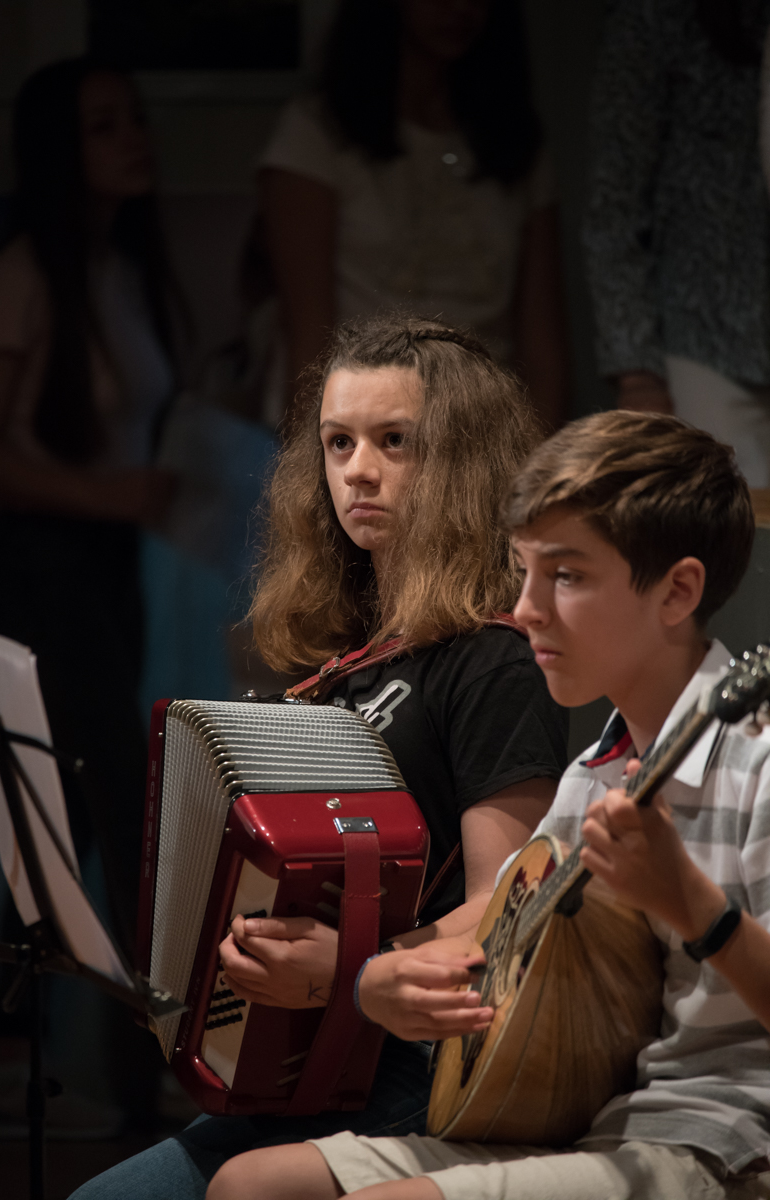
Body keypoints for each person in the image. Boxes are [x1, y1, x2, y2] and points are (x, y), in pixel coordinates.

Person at [209, 409, 770, 1200]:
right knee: (251, 1185)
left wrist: (691, 903)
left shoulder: (757, 764)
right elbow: (508, 943)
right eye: (522, 570)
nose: (528, 608)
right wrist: (366, 981)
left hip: (724, 1142)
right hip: (592, 1118)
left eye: (566, 576)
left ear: (677, 591)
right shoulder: (592, 775)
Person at [70, 316, 568, 1197]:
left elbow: (505, 909)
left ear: (464, 460)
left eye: (394, 441)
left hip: (416, 1070)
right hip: (316, 1061)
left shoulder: (494, 658)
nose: (357, 471)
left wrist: (345, 970)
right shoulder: (352, 661)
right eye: (338, 442)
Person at [0, 58, 178, 951]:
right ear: (60, 150)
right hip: (39, 562)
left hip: (110, 559)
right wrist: (105, 495)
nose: (133, 139)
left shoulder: (120, 270)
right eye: (103, 126)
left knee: (85, 811)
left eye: (134, 117)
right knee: (99, 797)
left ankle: (45, 1020)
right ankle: (149, 1014)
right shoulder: (20, 278)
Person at [258, 0, 569, 429]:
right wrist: (320, 454)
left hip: (484, 429)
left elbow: (543, 343)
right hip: (363, 422)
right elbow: (307, 336)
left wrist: (538, 459)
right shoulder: (316, 134)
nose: (461, 6)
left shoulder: (515, 144)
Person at [584, 0, 770, 486]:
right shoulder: (657, 18)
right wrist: (637, 373)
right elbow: (614, 202)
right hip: (703, 336)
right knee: (717, 508)